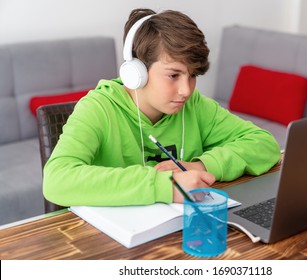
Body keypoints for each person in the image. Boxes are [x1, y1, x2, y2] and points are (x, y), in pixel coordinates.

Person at [43, 8, 280, 206]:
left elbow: (264, 144)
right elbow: (56, 180)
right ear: (137, 72)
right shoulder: (98, 108)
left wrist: (202, 165)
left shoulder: (195, 106)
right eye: (173, 75)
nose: (186, 90)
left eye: (193, 75)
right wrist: (166, 187)